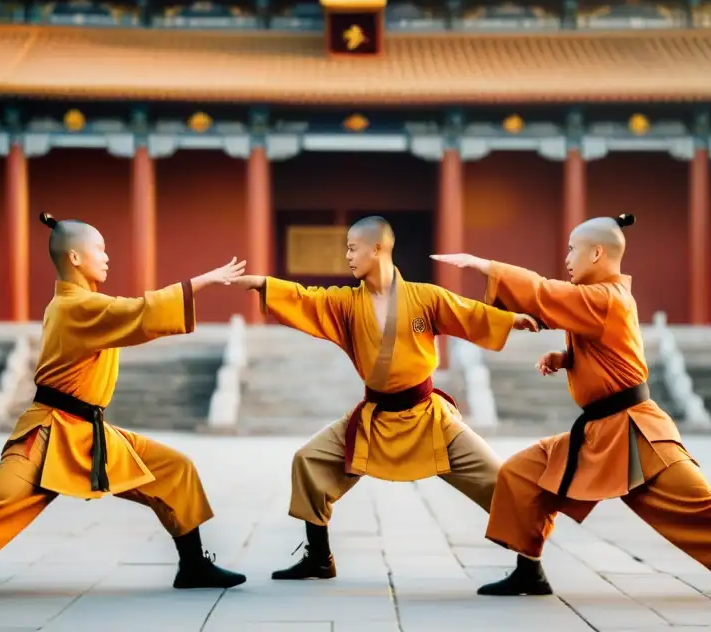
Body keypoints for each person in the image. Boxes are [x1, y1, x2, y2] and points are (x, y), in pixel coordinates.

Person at [431, 214, 711, 602]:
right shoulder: (597, 299)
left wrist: (485, 266)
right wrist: (566, 359)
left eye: (573, 250)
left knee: (705, 502)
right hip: (597, 433)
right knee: (522, 474)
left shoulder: (605, 297)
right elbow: (602, 345)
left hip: (637, 432)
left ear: (597, 253)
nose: (566, 258)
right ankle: (529, 571)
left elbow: (543, 293)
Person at [0, 213, 248, 602]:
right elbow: (137, 312)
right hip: (47, 433)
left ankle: (193, 565)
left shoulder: (84, 304)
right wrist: (200, 283)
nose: (107, 258)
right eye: (100, 250)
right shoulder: (76, 307)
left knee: (174, 468)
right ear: (75, 258)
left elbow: (130, 312)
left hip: (90, 433)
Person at [229, 215, 540, 581]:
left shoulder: (425, 297)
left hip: (428, 419)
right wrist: (263, 285)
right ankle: (319, 557)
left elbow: (466, 312)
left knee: (499, 479)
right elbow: (305, 299)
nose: (346, 256)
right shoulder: (346, 303)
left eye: (351, 248)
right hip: (373, 420)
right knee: (309, 461)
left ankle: (530, 569)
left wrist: (511, 320)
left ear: (377, 249)